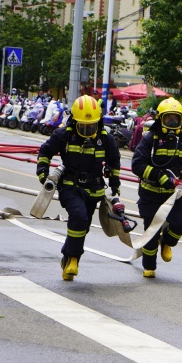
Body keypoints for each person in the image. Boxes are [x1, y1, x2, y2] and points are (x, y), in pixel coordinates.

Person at [36, 95, 121, 280]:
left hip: (94, 189)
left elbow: (114, 160)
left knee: (83, 226)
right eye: (83, 126)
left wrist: (114, 183)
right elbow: (45, 152)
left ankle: (67, 256)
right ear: (74, 121)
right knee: (79, 217)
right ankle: (74, 259)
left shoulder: (105, 138)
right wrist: (43, 174)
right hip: (70, 186)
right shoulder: (63, 135)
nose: (88, 130)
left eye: (91, 126)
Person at [131, 97, 182, 279]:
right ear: (160, 119)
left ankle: (167, 241)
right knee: (151, 231)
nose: (171, 123)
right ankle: (149, 266)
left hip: (173, 196)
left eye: (175, 119)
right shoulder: (150, 140)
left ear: (181, 120)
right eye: (168, 118)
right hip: (150, 195)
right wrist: (160, 177)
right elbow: (137, 165)